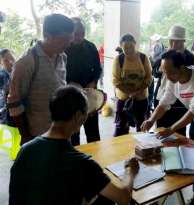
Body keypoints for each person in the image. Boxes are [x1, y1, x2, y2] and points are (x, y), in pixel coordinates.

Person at [9, 85, 139, 205]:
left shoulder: (24, 151)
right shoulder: (82, 164)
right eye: (86, 114)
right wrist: (130, 171)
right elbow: (123, 198)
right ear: (78, 116)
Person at [141, 50, 194, 205]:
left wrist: (171, 129)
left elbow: (193, 112)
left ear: (181, 68)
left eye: (169, 72)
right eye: (164, 71)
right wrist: (151, 119)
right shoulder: (172, 81)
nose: (166, 76)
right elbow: (164, 103)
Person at [7, 14, 74, 145]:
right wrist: (25, 136)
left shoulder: (62, 57)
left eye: (69, 39)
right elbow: (14, 102)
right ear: (47, 35)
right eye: (64, 39)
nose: (68, 44)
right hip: (37, 136)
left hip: (62, 131)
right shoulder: (27, 62)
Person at [153, 25, 194, 136]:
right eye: (171, 41)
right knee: (161, 130)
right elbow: (155, 73)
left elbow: (193, 79)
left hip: (179, 102)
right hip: (161, 97)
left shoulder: (190, 57)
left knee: (178, 133)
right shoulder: (164, 55)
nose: (173, 44)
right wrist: (160, 69)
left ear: (183, 41)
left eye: (177, 42)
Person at [65, 17, 102, 146]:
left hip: (90, 95)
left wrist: (93, 82)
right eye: (76, 34)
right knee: (73, 135)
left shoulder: (90, 47)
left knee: (93, 134)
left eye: (82, 34)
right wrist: (71, 84)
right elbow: (58, 73)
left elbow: (98, 69)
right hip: (70, 97)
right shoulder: (64, 48)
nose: (79, 37)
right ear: (70, 33)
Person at [112, 34, 152, 136]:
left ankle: (142, 148)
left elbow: (148, 78)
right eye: (125, 48)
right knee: (121, 127)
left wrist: (137, 91)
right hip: (124, 100)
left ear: (135, 44)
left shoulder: (143, 58)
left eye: (131, 47)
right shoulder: (119, 59)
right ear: (121, 46)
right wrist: (129, 93)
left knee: (141, 126)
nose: (129, 50)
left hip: (141, 99)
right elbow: (115, 80)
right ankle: (121, 150)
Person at [0, 49, 15, 126]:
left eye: (12, 58)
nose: (10, 62)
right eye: (6, 60)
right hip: (5, 118)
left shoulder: (19, 72)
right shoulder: (2, 76)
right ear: (1, 63)